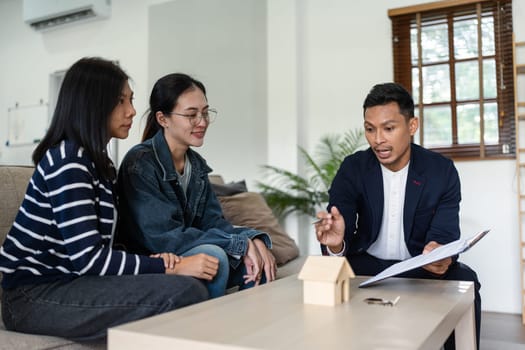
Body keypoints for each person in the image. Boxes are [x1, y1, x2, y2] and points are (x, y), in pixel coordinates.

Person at [0, 58, 208, 342]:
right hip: (32, 295)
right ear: (93, 104)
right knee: (186, 291)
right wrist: (168, 266)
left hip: (75, 281)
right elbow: (89, 259)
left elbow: (104, 248)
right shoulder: (68, 160)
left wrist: (152, 261)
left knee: (186, 285)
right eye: (121, 101)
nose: (132, 111)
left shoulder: (97, 162)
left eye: (131, 100)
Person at [314, 82, 481, 350]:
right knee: (322, 284)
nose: (377, 139)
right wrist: (335, 244)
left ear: (412, 126)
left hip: (419, 266)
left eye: (388, 128)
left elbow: (446, 232)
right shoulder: (353, 168)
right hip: (366, 266)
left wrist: (439, 253)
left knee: (466, 280)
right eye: (370, 129)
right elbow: (338, 228)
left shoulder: (441, 171)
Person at [116, 73, 276, 298]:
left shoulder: (197, 166)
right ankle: (204, 330)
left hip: (184, 253)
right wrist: (239, 243)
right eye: (191, 115)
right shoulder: (140, 163)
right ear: (163, 119)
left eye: (205, 113)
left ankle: (246, 328)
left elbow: (213, 222)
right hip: (155, 261)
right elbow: (163, 237)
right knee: (214, 257)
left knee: (259, 258)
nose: (202, 122)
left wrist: (252, 239)